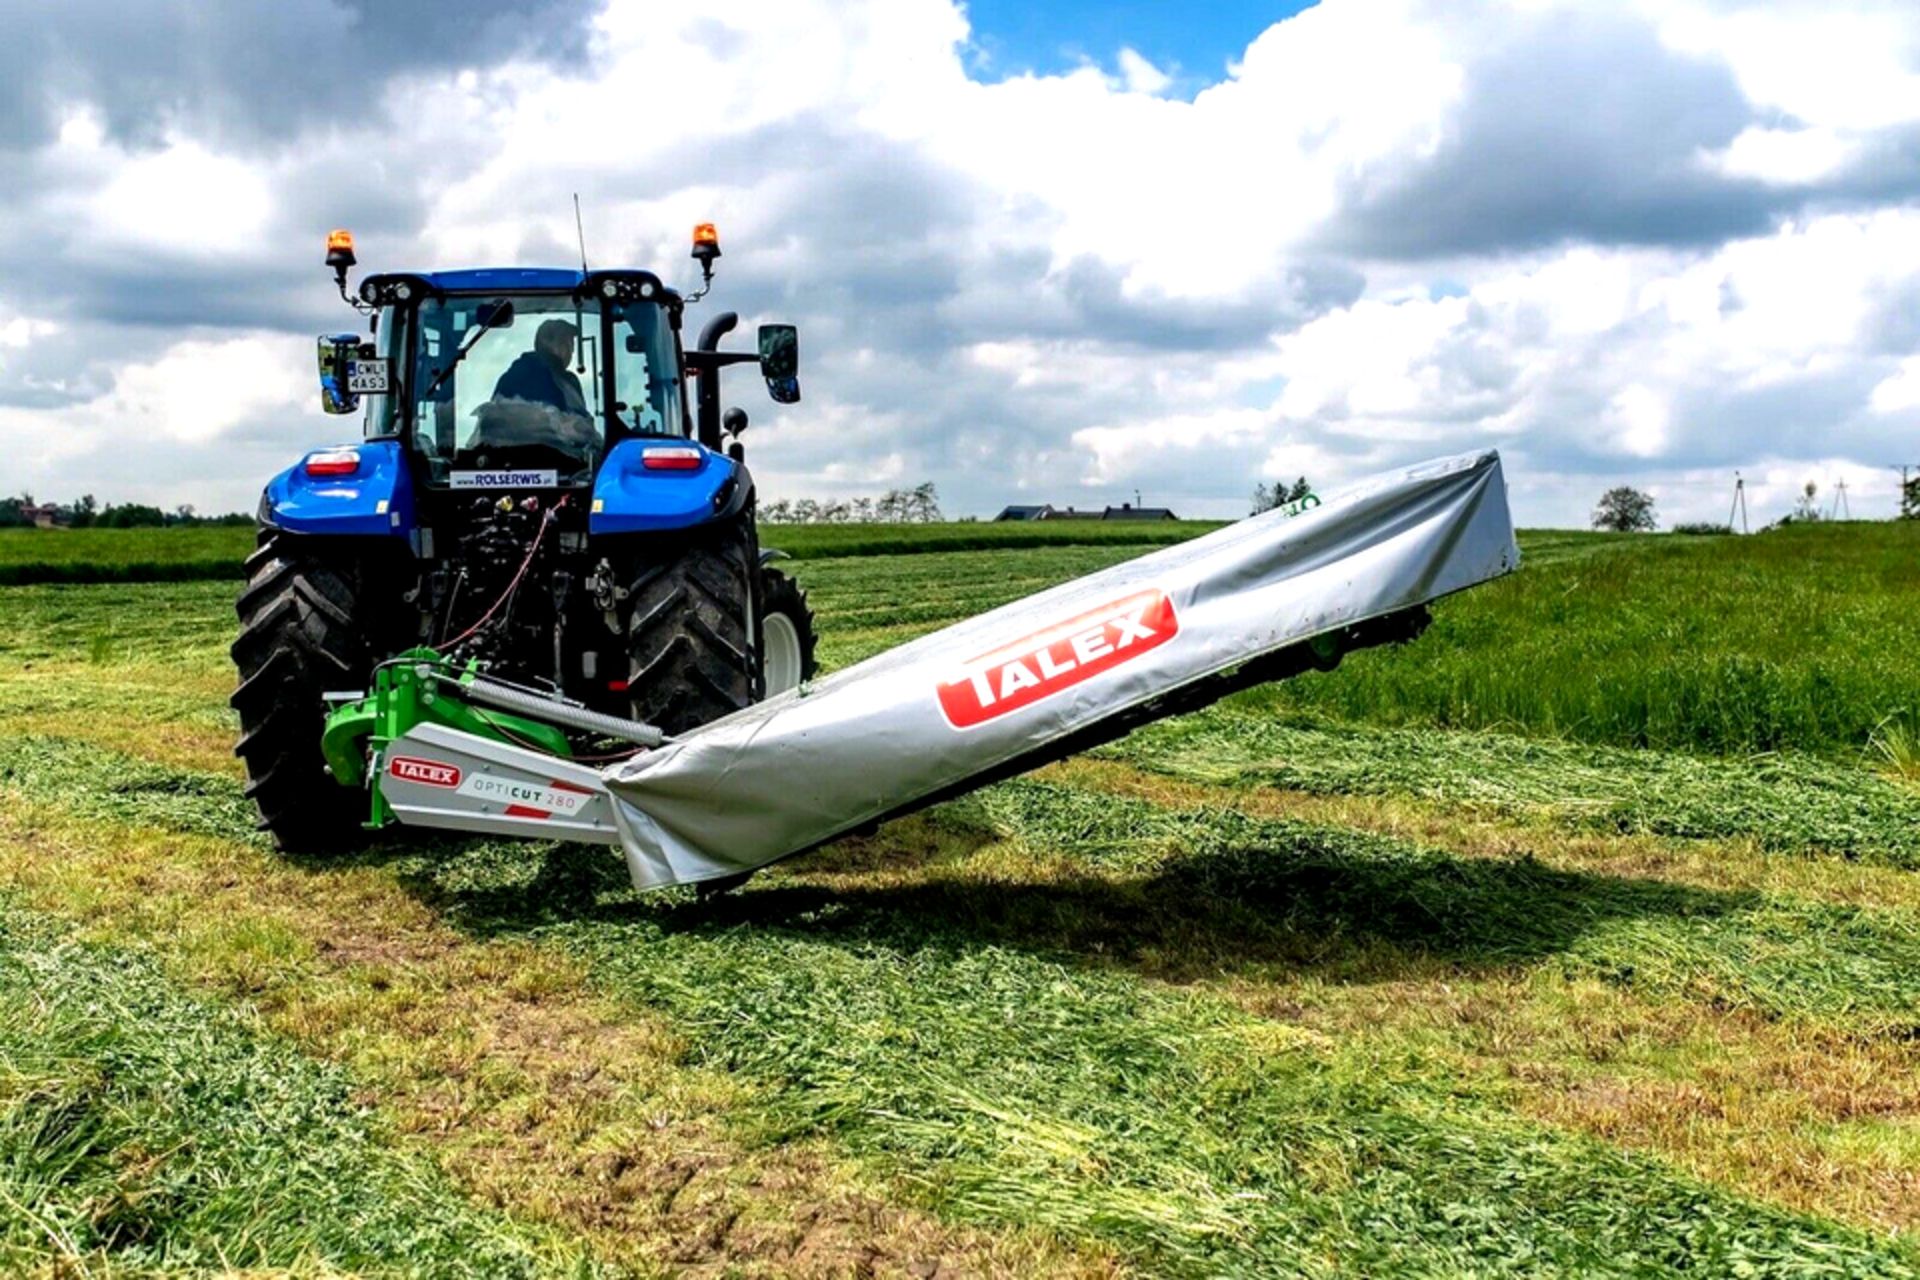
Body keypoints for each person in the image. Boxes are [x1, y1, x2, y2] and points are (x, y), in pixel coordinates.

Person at [491, 318, 589, 418]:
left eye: (571, 346)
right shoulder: (525, 373)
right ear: (545, 342)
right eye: (565, 343)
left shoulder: (569, 381)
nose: (570, 352)